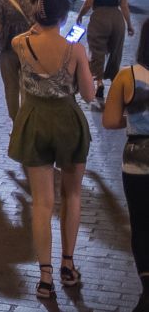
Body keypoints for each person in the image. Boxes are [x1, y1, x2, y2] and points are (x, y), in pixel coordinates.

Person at [8, 0, 95, 301]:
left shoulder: (21, 43)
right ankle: (68, 265)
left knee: (42, 203)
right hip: (67, 122)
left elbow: (25, 37)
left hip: (33, 119)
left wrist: (33, 28)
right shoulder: (75, 49)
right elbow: (88, 95)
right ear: (62, 18)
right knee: (71, 195)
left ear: (36, 14)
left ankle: (45, 276)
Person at [101, 29, 149, 312]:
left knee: (142, 225)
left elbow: (108, 121)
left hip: (137, 161)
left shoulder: (127, 76)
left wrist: (134, 123)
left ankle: (147, 288)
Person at [78, 0, 134, 108]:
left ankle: (99, 82)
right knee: (116, 51)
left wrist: (80, 15)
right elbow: (124, 7)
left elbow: (88, 4)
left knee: (97, 50)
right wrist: (129, 24)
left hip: (100, 18)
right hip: (116, 18)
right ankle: (114, 81)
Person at [0, 0, 40, 120]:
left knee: (11, 88)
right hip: (33, 50)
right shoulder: (40, 1)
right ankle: (27, 121)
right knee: (29, 87)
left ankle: (16, 122)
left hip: (8, 49)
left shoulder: (4, 1)